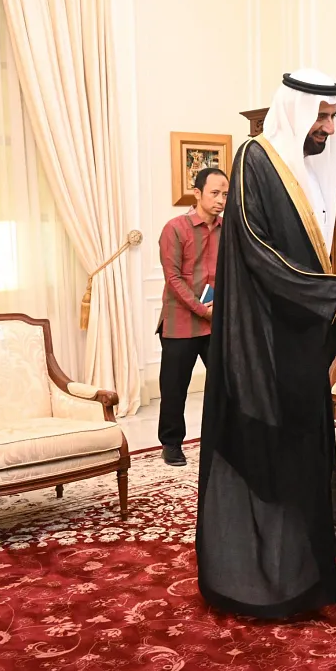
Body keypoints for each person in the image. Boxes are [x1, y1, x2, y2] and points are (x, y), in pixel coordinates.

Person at [195, 69, 336, 618]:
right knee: (265, 447)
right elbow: (260, 254)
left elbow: (313, 253)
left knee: (302, 447)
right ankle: (259, 578)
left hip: (301, 334)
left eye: (332, 116)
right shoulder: (256, 159)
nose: (328, 128)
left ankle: (304, 563)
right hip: (264, 338)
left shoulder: (305, 170)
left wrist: (327, 305)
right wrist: (333, 293)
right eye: (322, 116)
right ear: (297, 111)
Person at [155, 166, 227, 467]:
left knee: (226, 385)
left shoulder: (229, 229)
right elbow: (173, 278)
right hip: (180, 323)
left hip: (216, 323)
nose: (221, 200)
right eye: (215, 193)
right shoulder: (175, 228)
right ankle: (171, 444)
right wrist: (203, 310)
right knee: (174, 389)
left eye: (225, 194)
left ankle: (223, 442)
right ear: (197, 193)